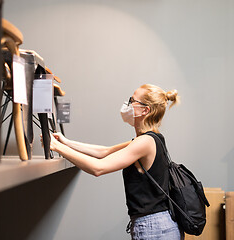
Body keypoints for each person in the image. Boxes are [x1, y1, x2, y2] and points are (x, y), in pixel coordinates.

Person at [46, 84, 184, 240]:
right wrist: (65, 142)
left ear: (145, 110)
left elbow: (98, 168)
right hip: (158, 225)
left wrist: (57, 147)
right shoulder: (151, 138)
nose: (128, 104)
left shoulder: (145, 142)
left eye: (132, 100)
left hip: (154, 228)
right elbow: (104, 152)